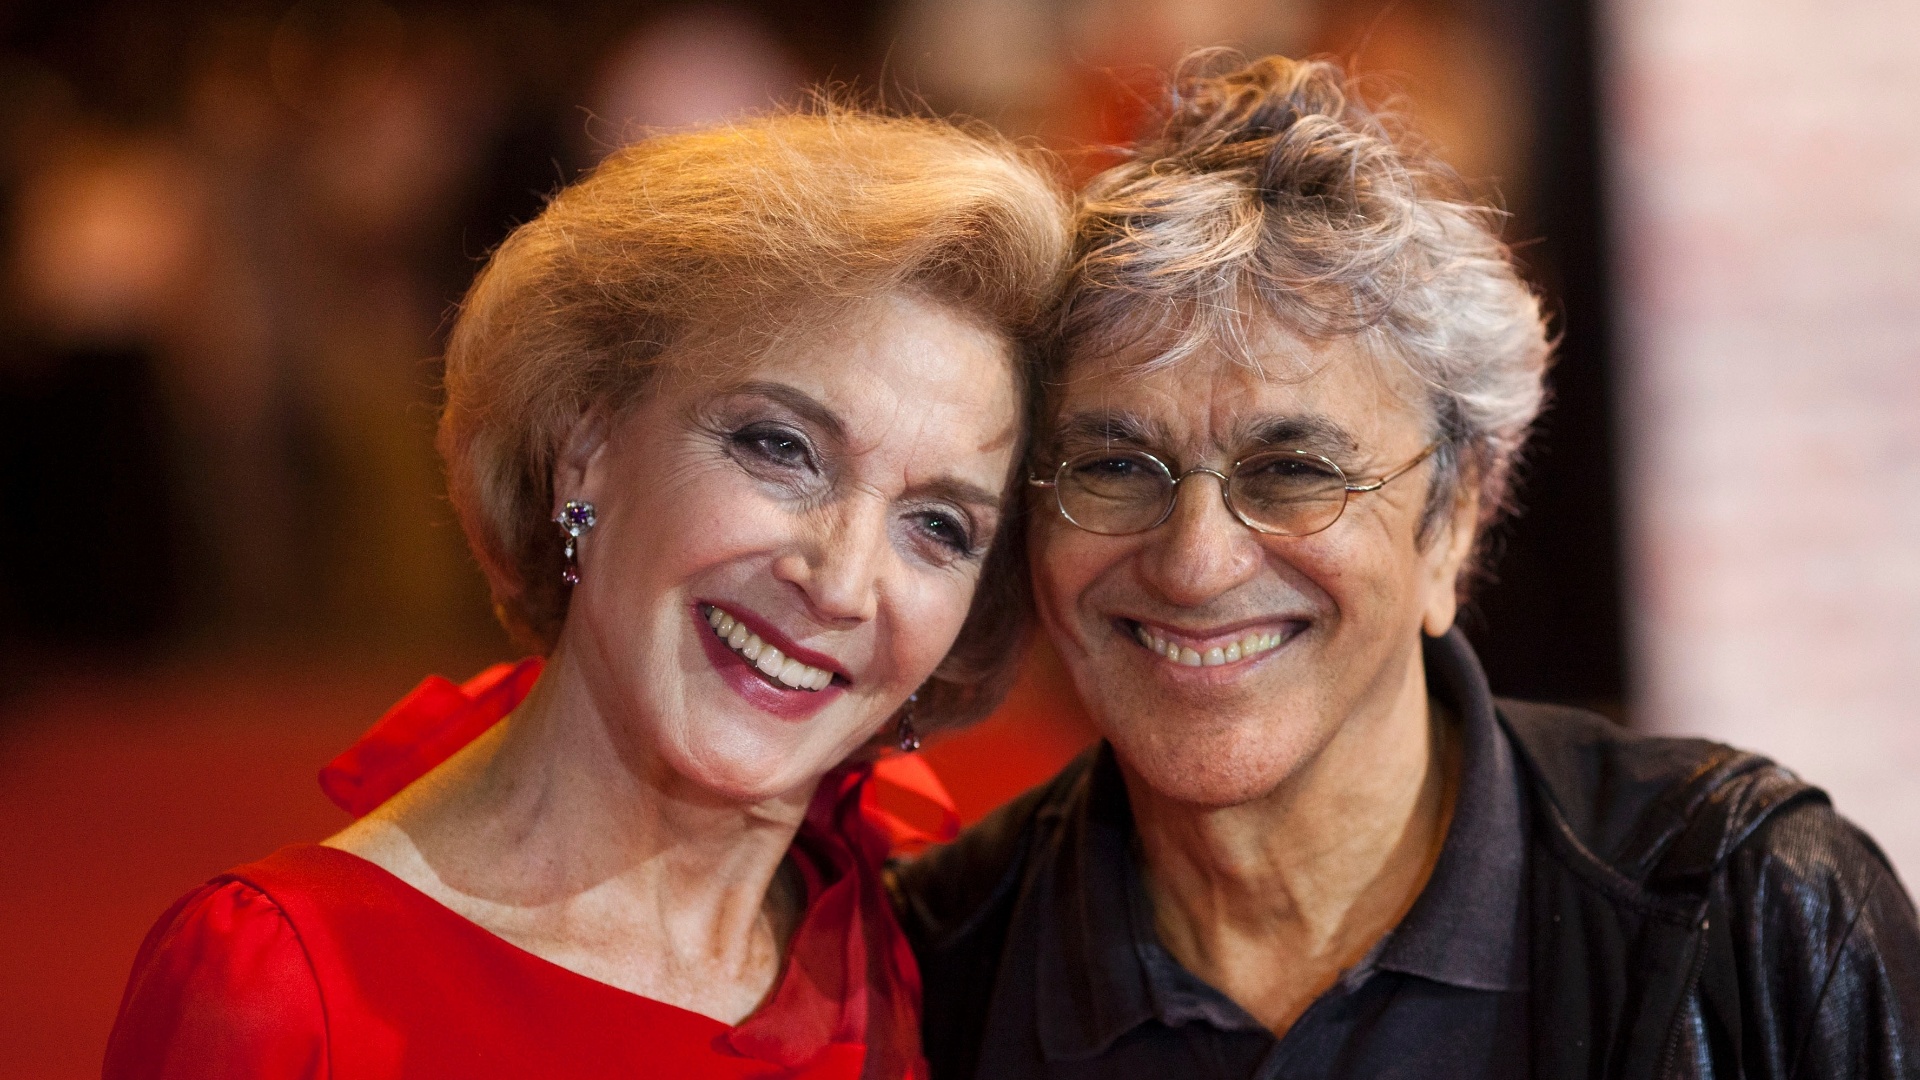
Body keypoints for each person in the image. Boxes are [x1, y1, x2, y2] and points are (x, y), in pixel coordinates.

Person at [889, 54, 1920, 1079]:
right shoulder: (924, 971)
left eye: (1293, 469)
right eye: (1116, 465)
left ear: (1455, 520)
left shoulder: (1753, 918)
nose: (1195, 561)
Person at [104, 106, 1068, 1079]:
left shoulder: (933, 960)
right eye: (780, 448)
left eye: (940, 527)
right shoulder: (281, 990)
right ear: (585, 445)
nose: (844, 582)